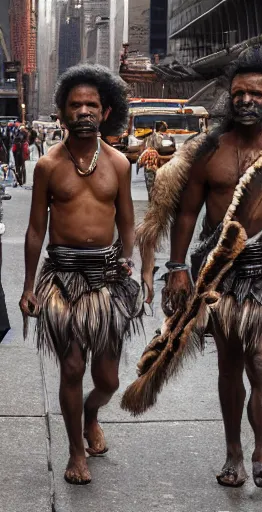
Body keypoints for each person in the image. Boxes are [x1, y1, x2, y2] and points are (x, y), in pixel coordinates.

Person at [121, 47, 262, 488]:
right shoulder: (209, 150)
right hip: (219, 275)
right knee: (229, 367)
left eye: (257, 94)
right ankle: (233, 454)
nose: (246, 101)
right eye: (239, 93)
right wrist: (177, 269)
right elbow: (187, 215)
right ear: (230, 97)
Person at [19, 64, 142, 486]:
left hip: (108, 278)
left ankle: (92, 412)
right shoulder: (48, 166)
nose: (84, 111)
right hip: (63, 278)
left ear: (106, 111)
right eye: (76, 104)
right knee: (71, 368)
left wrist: (132, 265)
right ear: (62, 112)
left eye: (92, 104)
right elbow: (36, 229)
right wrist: (27, 286)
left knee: (107, 379)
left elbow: (127, 222)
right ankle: (75, 450)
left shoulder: (121, 164)